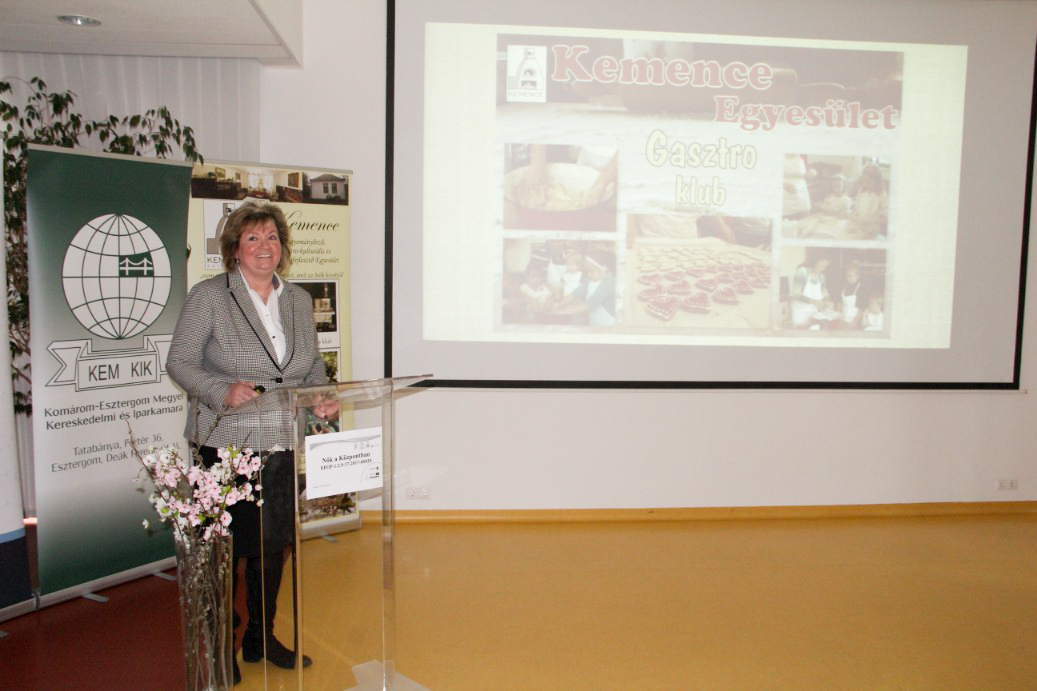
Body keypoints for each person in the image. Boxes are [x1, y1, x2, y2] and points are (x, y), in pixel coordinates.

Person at [166, 201, 326, 683]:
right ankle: (221, 645)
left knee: (272, 548)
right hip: (225, 443)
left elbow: (312, 368)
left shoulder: (298, 300)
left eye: (272, 237)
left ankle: (260, 637)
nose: (264, 247)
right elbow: (179, 362)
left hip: (280, 442)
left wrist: (323, 398)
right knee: (225, 551)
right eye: (253, 238)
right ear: (234, 248)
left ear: (283, 247)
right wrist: (221, 390)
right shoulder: (210, 296)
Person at [789, 257, 833, 329]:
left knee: (813, 330)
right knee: (801, 331)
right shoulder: (802, 272)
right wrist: (813, 301)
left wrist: (827, 301)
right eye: (822, 265)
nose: (823, 269)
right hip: (800, 311)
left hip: (813, 312)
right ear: (814, 262)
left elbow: (824, 292)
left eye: (825, 266)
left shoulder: (821, 276)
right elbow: (796, 294)